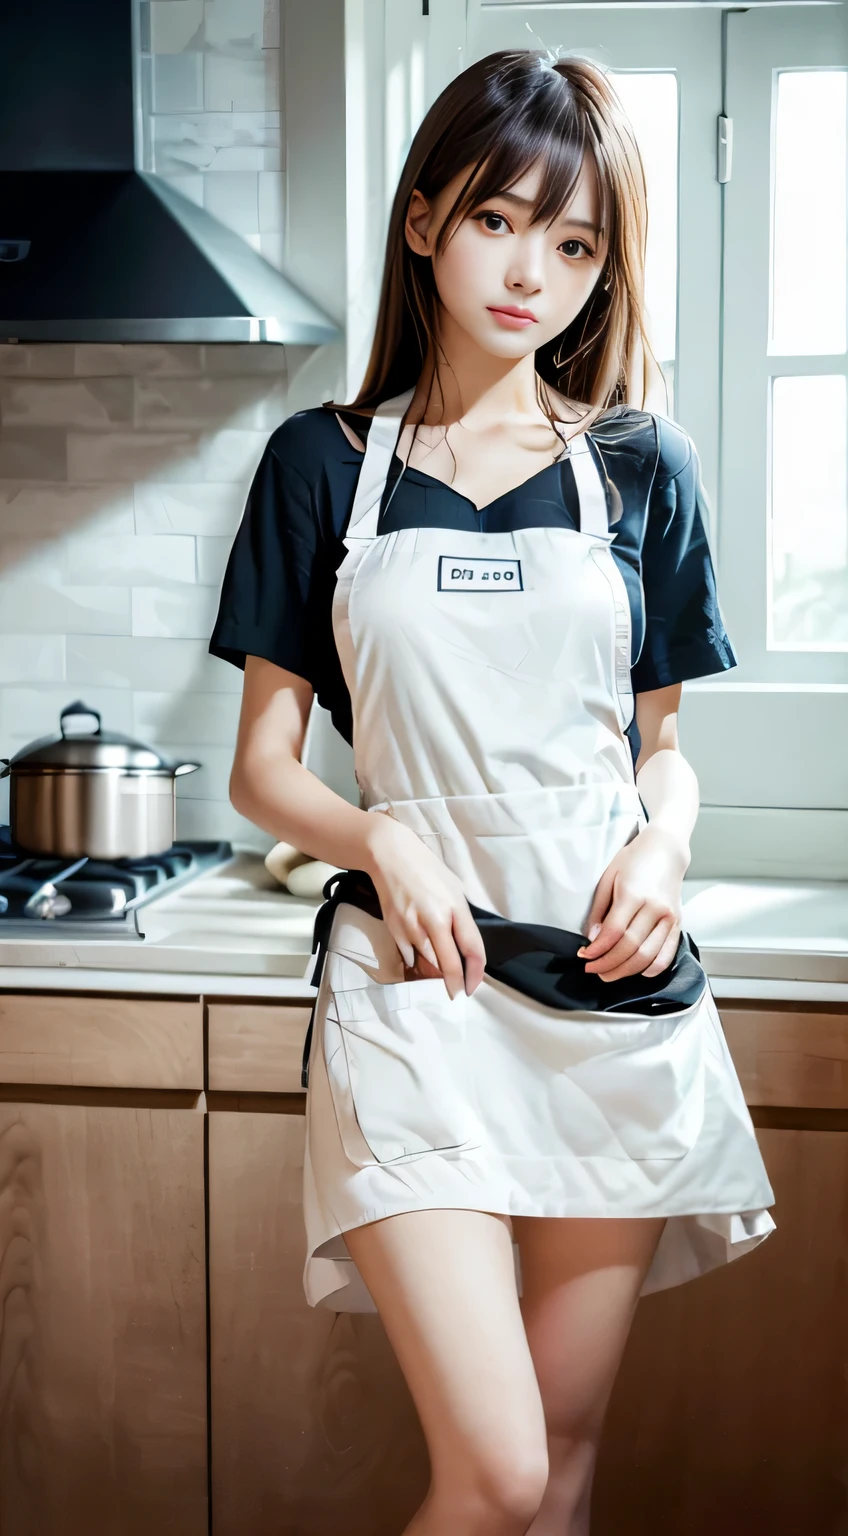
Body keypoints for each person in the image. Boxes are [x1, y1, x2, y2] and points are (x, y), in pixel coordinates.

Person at [209, 47, 775, 1536]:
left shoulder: (644, 470)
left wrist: (663, 848)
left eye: (577, 243)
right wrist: (379, 832)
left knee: (567, 1472)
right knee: (501, 1473)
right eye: (500, 221)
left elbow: (664, 748)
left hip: (608, 984)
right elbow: (263, 770)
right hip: (416, 991)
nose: (536, 270)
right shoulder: (320, 467)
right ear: (423, 221)